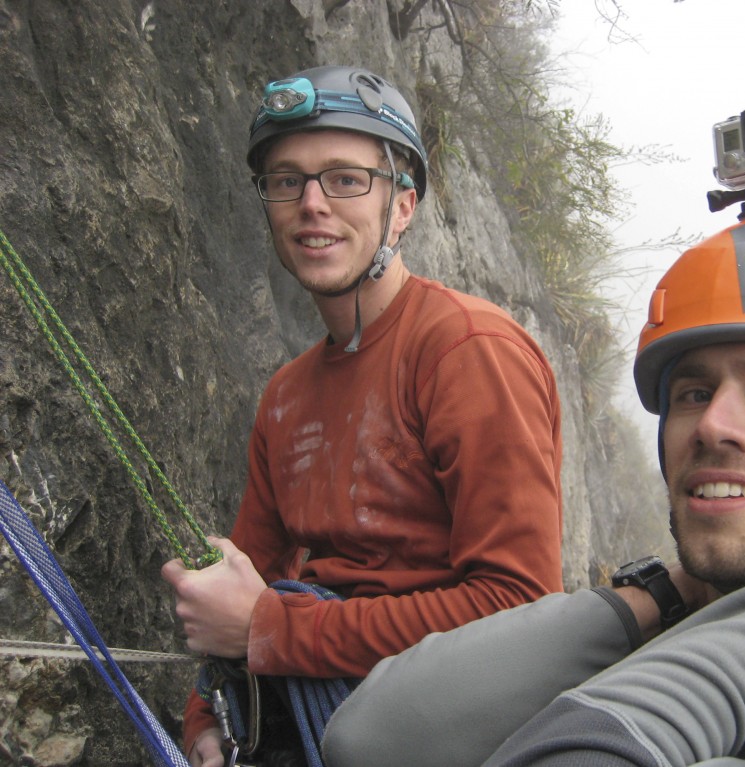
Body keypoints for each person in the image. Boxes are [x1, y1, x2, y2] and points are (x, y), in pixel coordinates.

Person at [321, 209, 745, 766]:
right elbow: (375, 739)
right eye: (692, 391)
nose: (713, 423)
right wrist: (663, 594)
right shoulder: (673, 621)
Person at [159, 65, 564, 767]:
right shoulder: (286, 396)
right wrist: (204, 719)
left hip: (441, 733)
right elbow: (245, 570)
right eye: (287, 180)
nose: (312, 204)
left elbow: (520, 606)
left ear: (402, 206)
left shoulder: (467, 351)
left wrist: (271, 626)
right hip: (306, 719)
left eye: (345, 178)